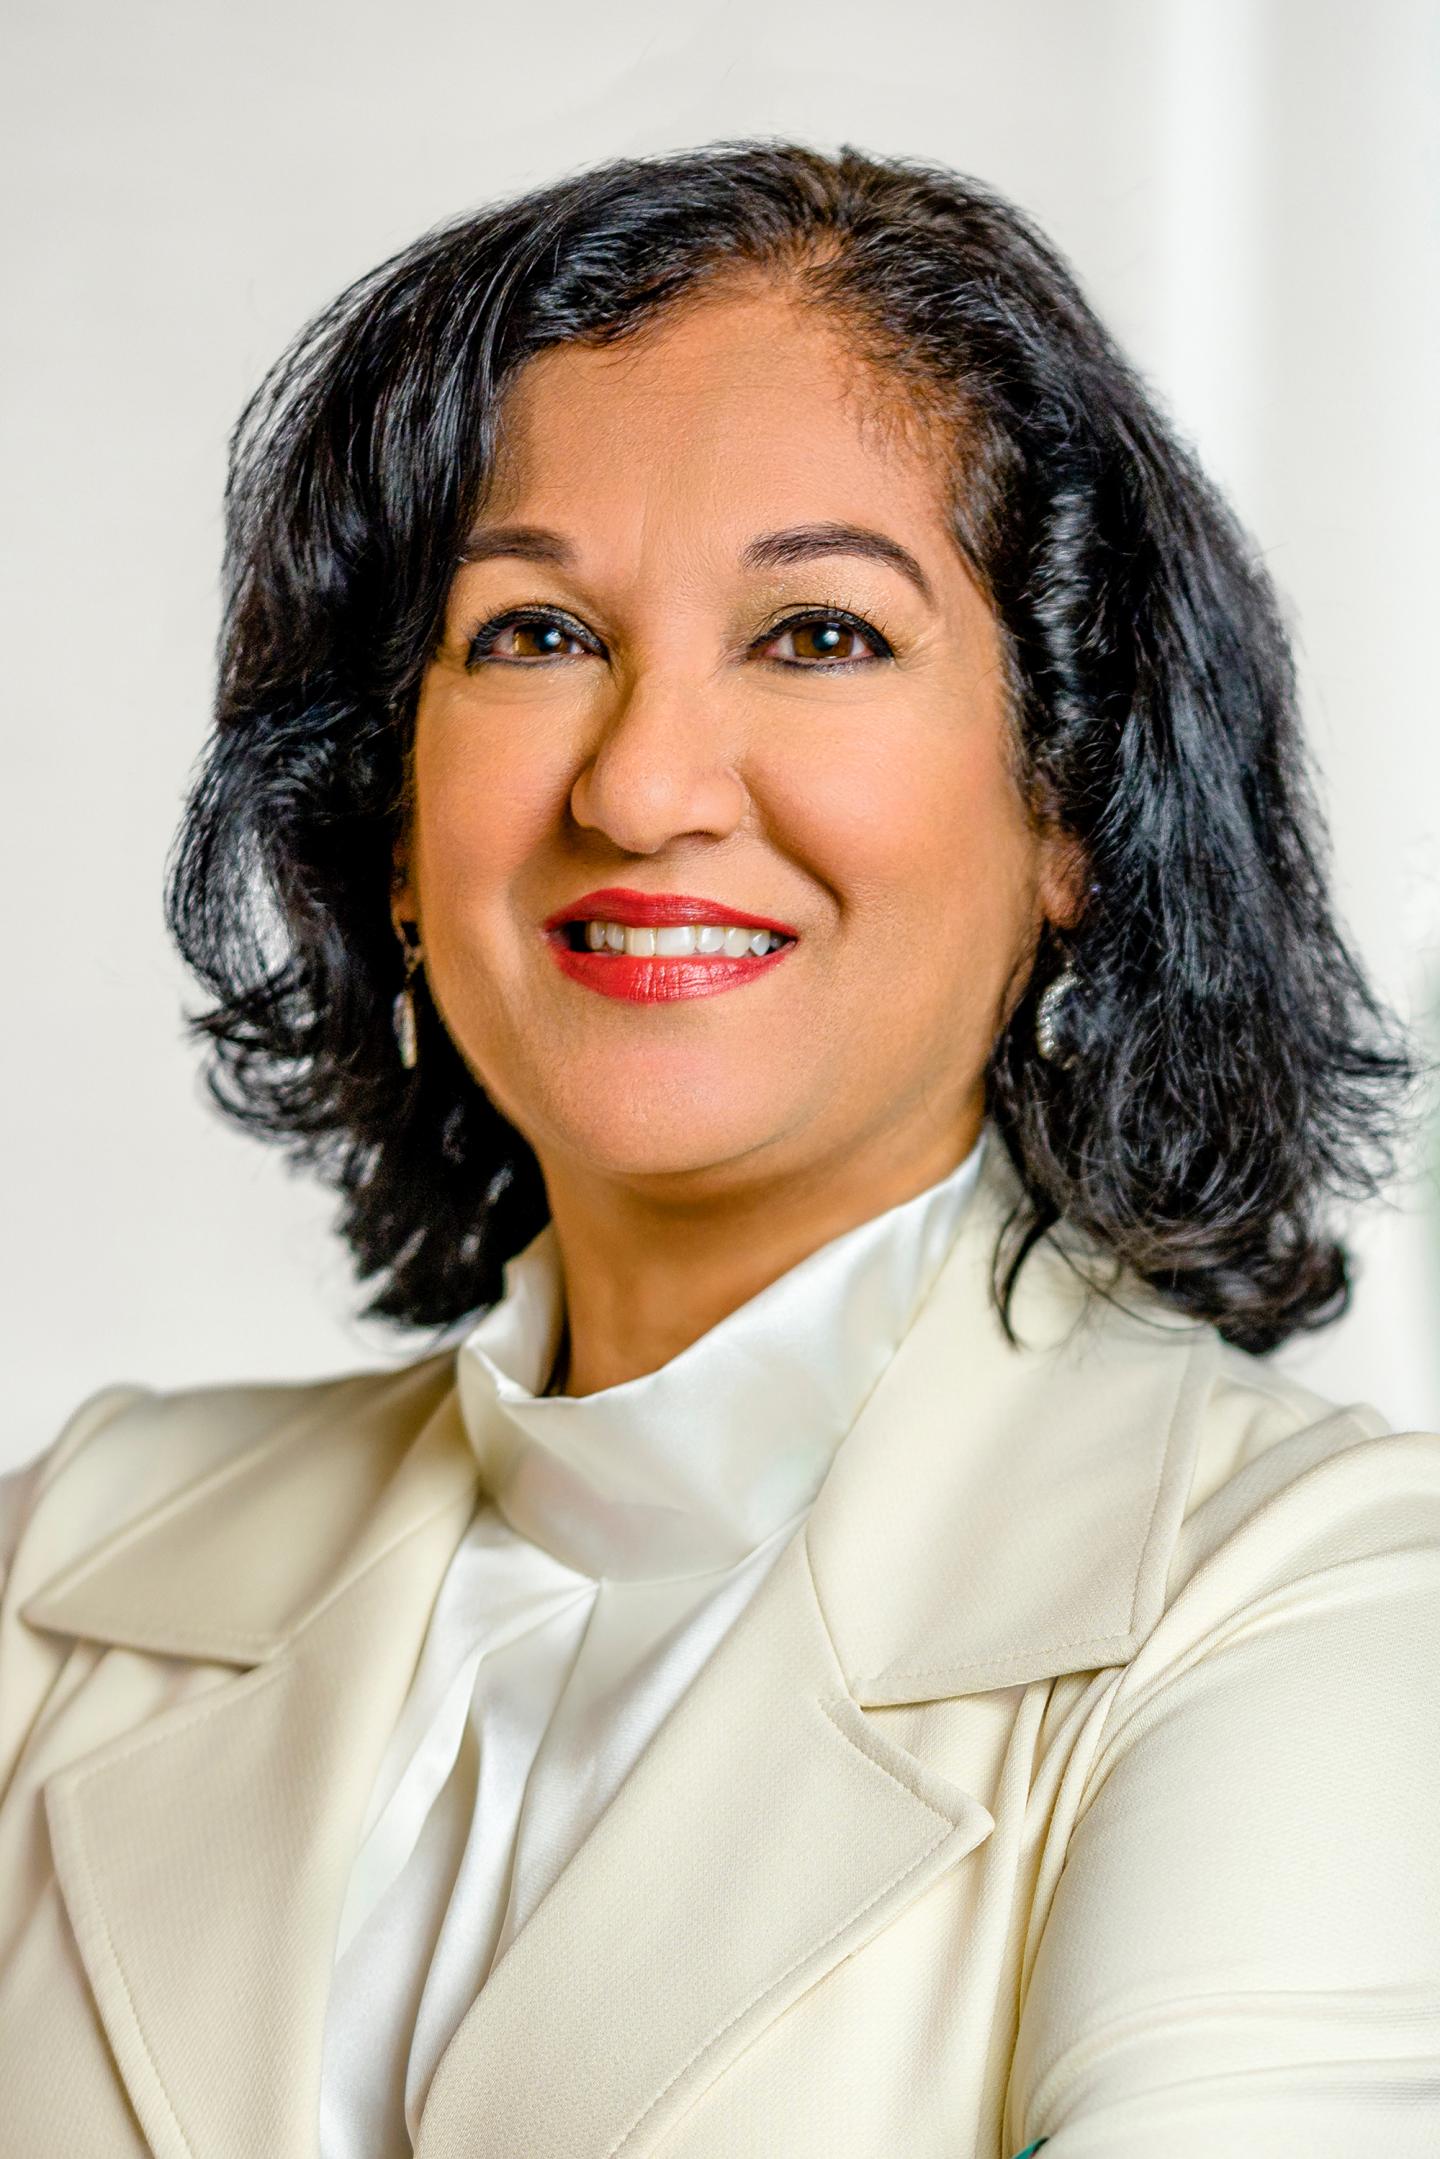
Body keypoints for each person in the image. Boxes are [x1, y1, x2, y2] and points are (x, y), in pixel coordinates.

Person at [1, 140, 1435, 2159]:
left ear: (1070, 811)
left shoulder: (1323, 1610)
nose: (646, 782)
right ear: (390, 826)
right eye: (530, 637)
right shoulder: (58, 1570)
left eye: (820, 635)